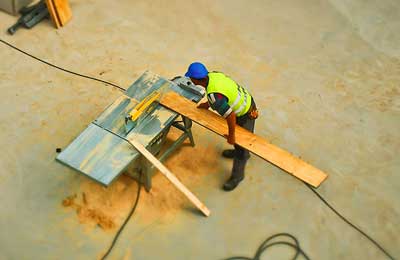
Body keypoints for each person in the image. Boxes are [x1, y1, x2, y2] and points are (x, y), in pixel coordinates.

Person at [185, 62, 258, 191]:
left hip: (245, 113)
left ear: (196, 80)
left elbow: (230, 116)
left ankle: (238, 175)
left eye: (190, 77)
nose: (189, 79)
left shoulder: (215, 98)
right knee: (239, 145)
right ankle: (239, 151)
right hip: (247, 100)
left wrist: (231, 136)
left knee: (241, 146)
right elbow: (221, 92)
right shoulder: (213, 75)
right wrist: (208, 105)